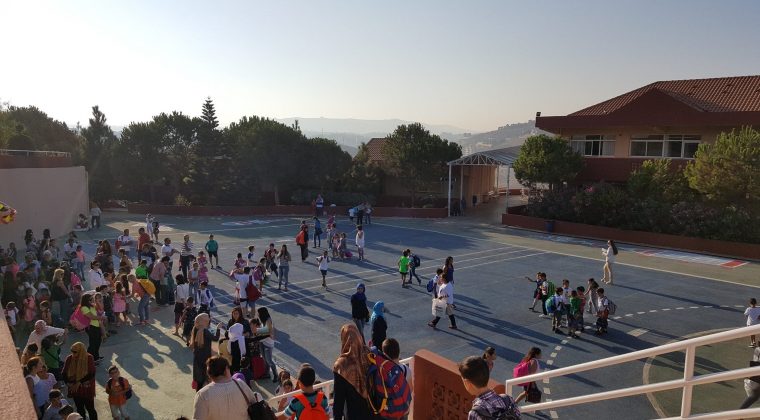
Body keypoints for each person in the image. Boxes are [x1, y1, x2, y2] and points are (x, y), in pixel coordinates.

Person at [333, 324, 374, 420]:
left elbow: (338, 402)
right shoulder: (369, 354)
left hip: (353, 415)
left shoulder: (341, 365)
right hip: (373, 411)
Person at [62, 342, 97, 420]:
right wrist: (68, 383)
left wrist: (79, 382)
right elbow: (64, 373)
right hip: (75, 390)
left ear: (81, 351)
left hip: (87, 389)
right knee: (80, 409)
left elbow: (91, 374)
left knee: (90, 409)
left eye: (75, 352)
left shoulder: (89, 358)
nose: (73, 354)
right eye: (72, 351)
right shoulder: (69, 358)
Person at [189, 313, 222, 391]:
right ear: (203, 321)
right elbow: (215, 338)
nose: (208, 320)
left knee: (198, 376)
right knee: (205, 376)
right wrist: (218, 329)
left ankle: (198, 392)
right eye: (207, 319)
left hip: (197, 356)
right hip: (205, 356)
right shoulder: (204, 331)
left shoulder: (196, 328)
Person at [253, 307, 278, 381]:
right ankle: (267, 374)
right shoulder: (262, 320)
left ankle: (275, 375)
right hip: (262, 342)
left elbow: (269, 332)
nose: (257, 314)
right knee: (265, 360)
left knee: (269, 360)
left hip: (268, 344)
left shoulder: (268, 320)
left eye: (258, 313)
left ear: (262, 313)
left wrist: (258, 330)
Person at [79, 294, 103, 363]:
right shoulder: (84, 308)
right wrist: (102, 317)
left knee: (98, 341)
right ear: (87, 300)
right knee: (93, 344)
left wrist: (98, 302)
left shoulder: (91, 306)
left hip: (96, 326)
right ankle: (90, 359)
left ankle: (96, 356)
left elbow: (101, 309)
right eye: (91, 299)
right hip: (90, 327)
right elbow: (92, 317)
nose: (93, 300)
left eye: (92, 298)